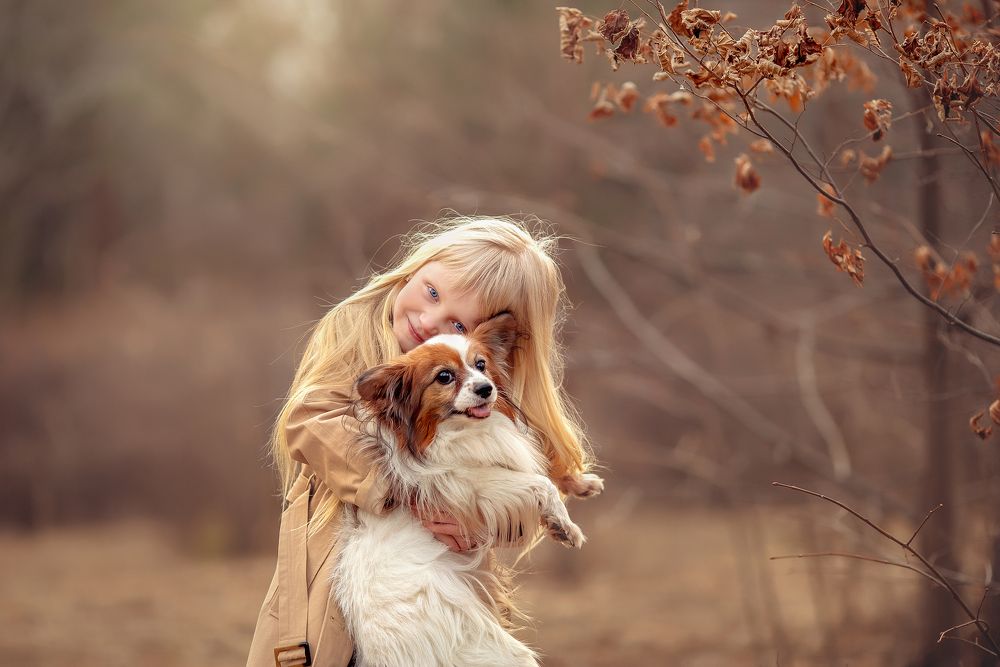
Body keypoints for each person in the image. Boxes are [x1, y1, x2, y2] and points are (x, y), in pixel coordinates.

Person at [246, 215, 595, 667]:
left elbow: (513, 513)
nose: (427, 320)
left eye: (457, 322)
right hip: (334, 597)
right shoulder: (353, 335)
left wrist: (476, 523)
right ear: (416, 266)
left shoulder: (481, 398)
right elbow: (308, 420)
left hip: (433, 593)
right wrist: (411, 490)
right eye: (432, 292)